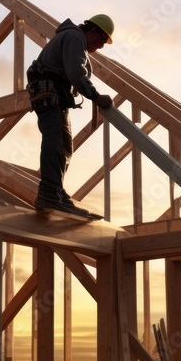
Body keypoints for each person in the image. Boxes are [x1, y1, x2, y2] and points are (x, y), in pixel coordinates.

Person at [26, 14, 115, 216]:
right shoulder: (75, 38)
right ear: (92, 30)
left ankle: (55, 190)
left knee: (65, 145)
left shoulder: (75, 41)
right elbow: (76, 72)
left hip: (55, 96)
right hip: (50, 94)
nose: (100, 47)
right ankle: (49, 192)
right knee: (55, 140)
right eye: (101, 40)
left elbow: (76, 70)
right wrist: (95, 96)